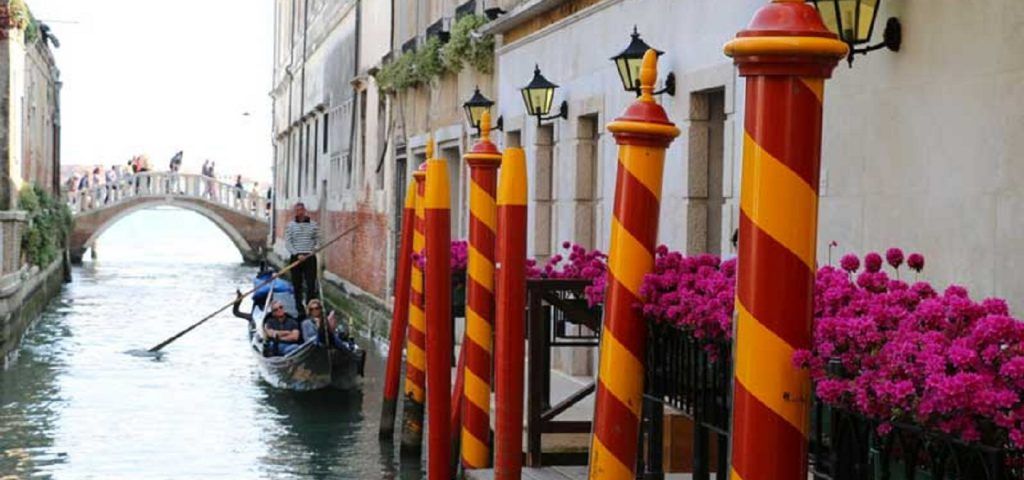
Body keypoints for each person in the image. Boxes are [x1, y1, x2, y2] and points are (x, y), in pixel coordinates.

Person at [285, 202, 319, 312]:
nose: (299, 212)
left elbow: (317, 239)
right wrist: (297, 254)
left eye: (301, 210)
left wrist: (314, 249)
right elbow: (288, 243)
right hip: (296, 258)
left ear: (304, 211)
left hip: (309, 257)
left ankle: (311, 308)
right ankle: (299, 309)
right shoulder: (290, 226)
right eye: (297, 210)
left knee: (310, 284)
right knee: (297, 285)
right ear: (295, 211)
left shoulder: (313, 225)